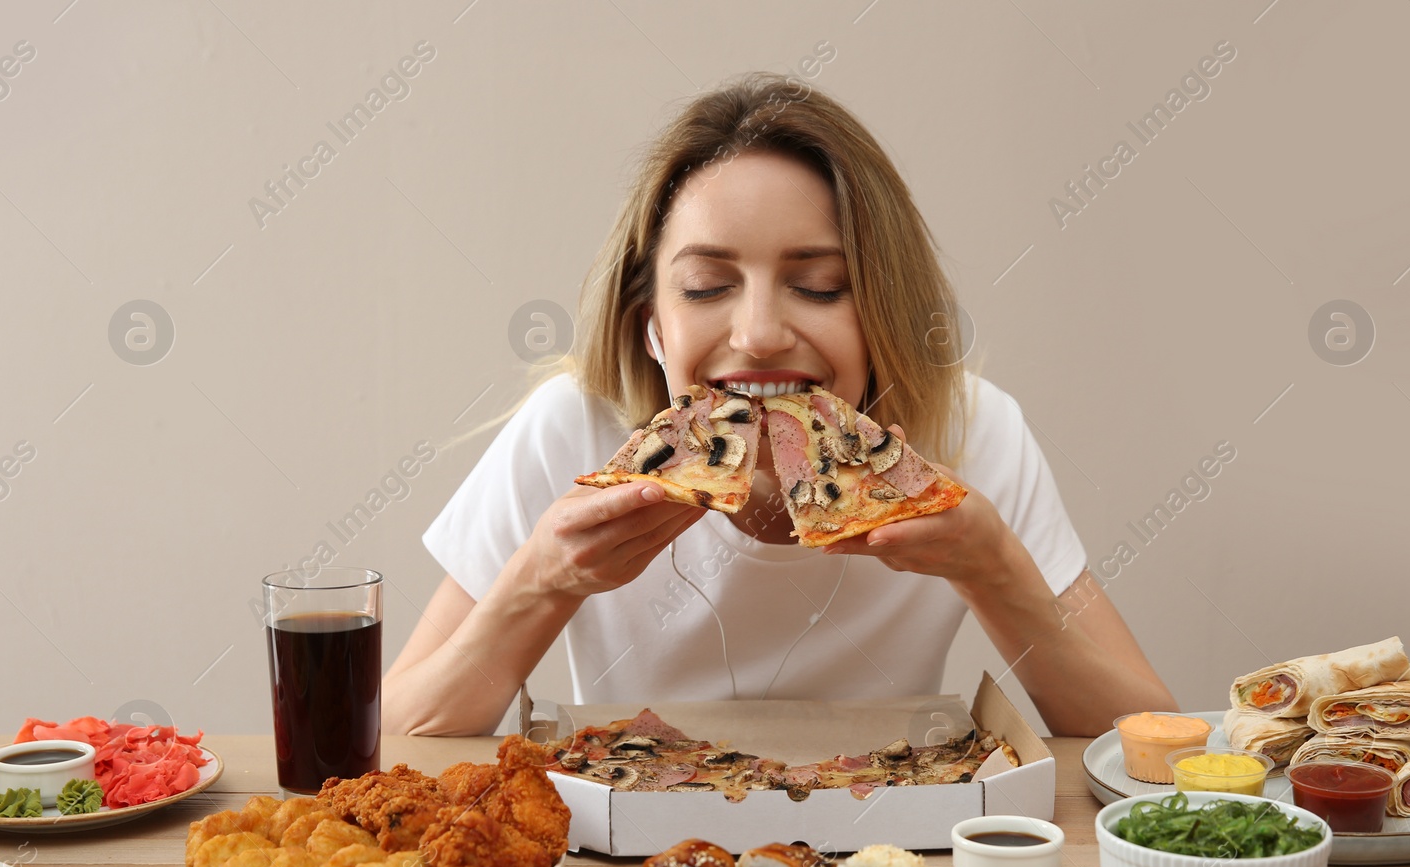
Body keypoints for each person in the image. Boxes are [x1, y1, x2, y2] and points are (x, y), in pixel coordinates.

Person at [384, 72, 1177, 737]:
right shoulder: (573, 430)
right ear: (652, 322)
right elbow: (383, 738)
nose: (760, 335)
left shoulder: (971, 434)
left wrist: (994, 569)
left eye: (819, 286)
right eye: (707, 287)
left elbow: (1155, 746)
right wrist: (542, 582)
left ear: (883, 312)